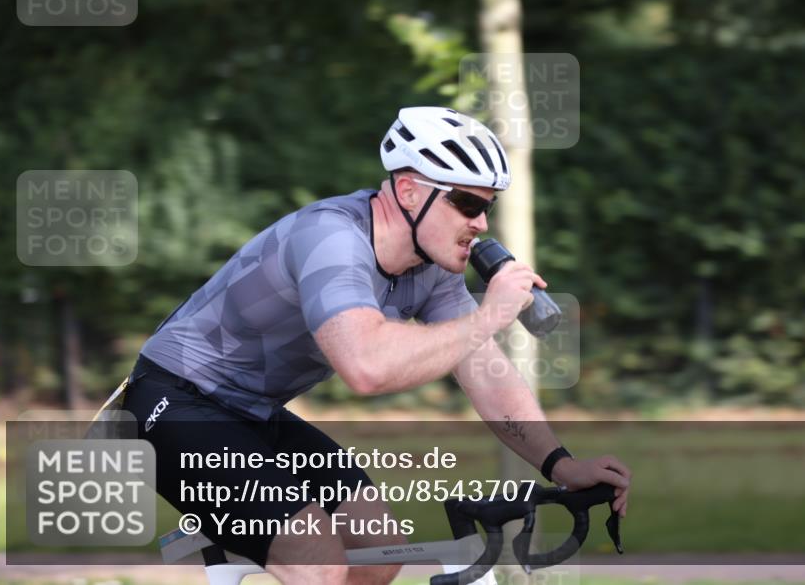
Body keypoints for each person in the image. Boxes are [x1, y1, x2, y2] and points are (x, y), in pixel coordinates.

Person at [122, 107, 631, 585]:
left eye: (487, 208)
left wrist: (562, 465)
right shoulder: (331, 239)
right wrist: (490, 314)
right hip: (173, 402)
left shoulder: (431, 272)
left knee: (379, 551)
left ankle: (236, 534)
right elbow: (365, 367)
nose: (480, 224)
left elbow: (485, 371)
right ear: (409, 191)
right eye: (467, 204)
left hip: (253, 414)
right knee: (317, 562)